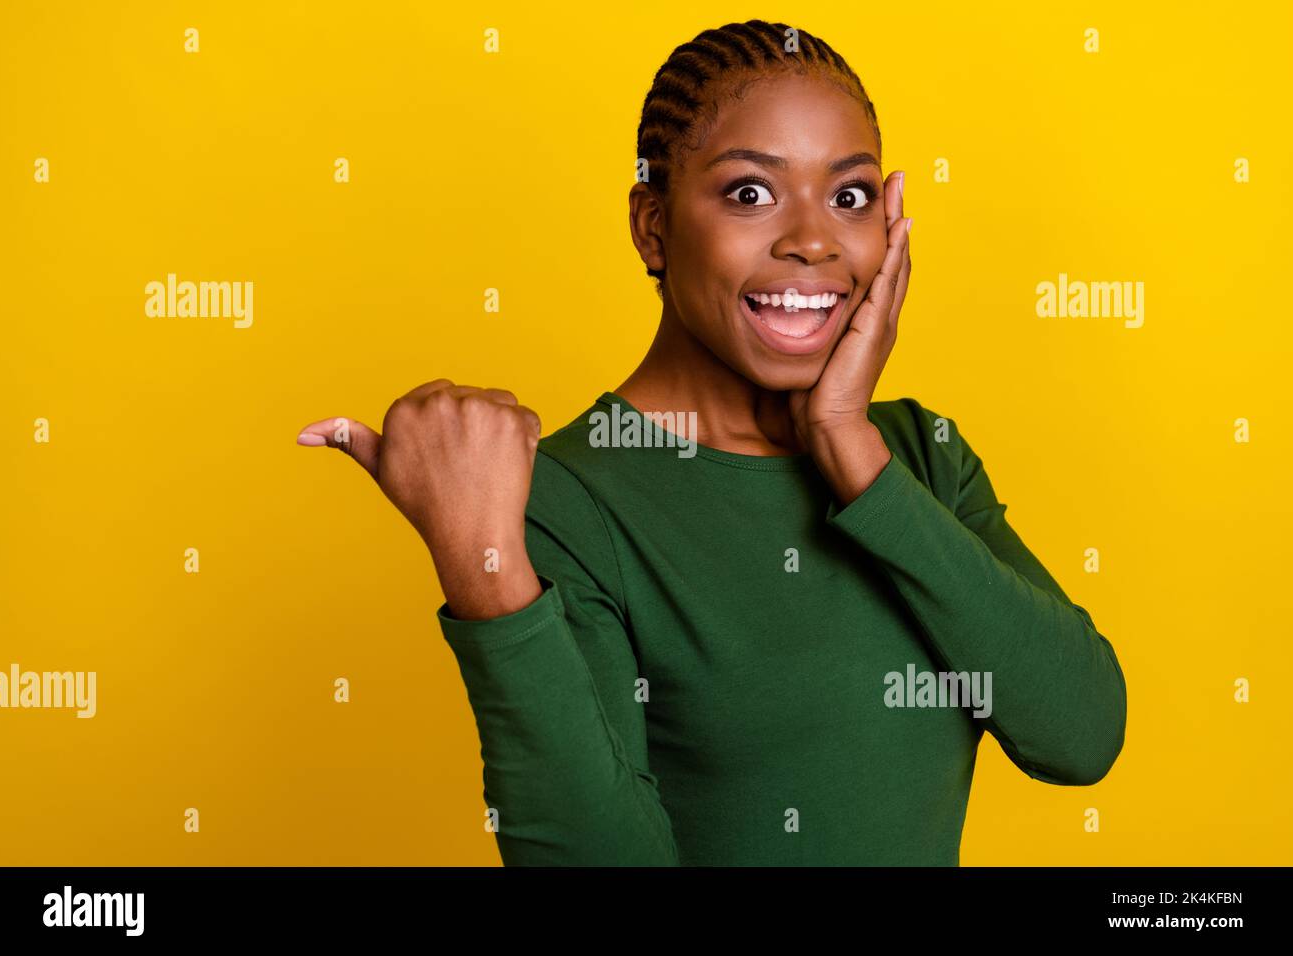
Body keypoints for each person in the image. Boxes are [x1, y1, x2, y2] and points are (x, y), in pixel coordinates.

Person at [296, 19, 1127, 866]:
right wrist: (486, 570)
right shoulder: (556, 504)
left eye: (850, 197)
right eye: (750, 193)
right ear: (653, 228)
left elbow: (1082, 735)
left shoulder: (920, 455)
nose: (813, 239)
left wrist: (852, 449)